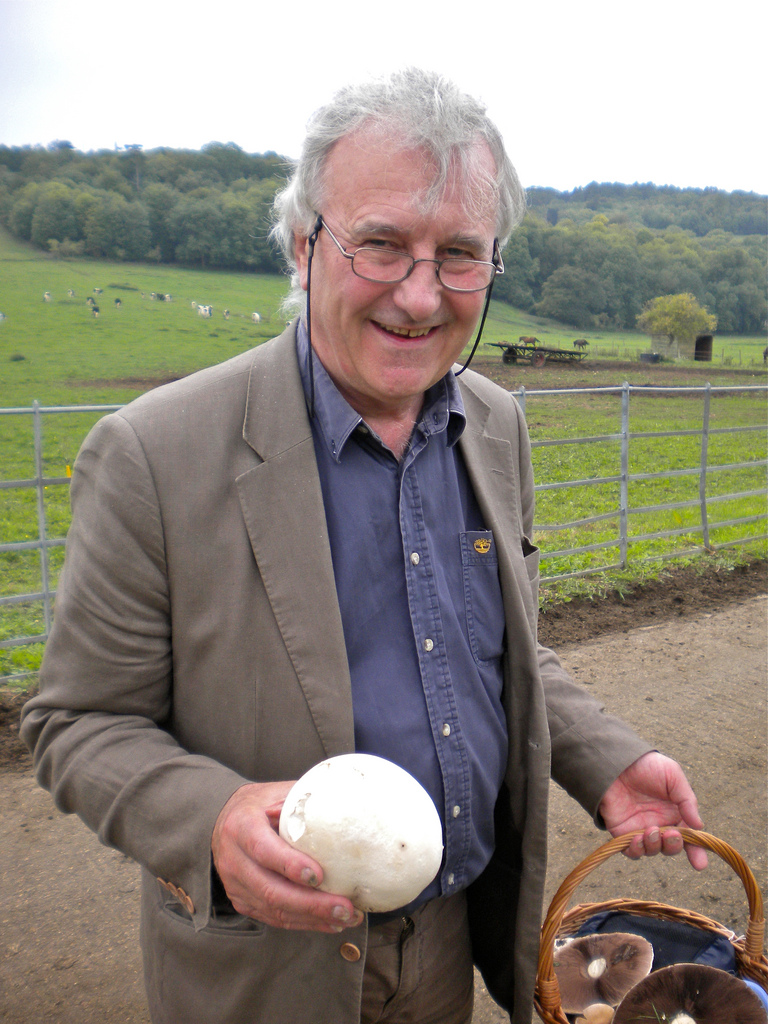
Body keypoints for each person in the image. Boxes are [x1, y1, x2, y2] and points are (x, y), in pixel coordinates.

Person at [21, 68, 707, 1024]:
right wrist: (212, 821)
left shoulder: (495, 426)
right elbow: (78, 722)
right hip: (266, 972)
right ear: (304, 248)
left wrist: (605, 757)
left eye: (460, 254)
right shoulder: (153, 453)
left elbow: (494, 646)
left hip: (453, 939)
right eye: (380, 245)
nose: (421, 297)